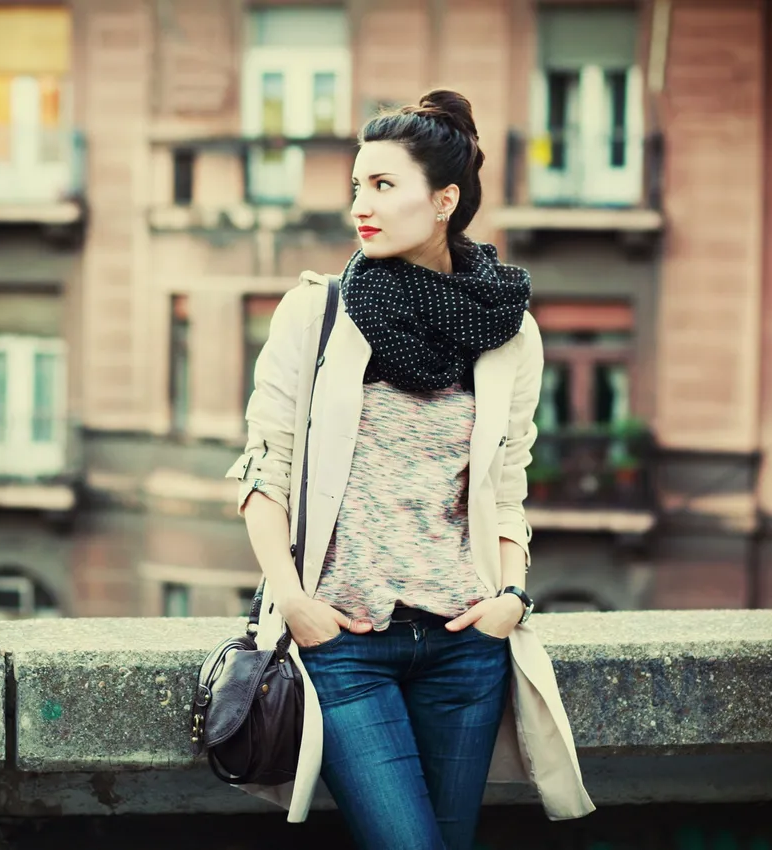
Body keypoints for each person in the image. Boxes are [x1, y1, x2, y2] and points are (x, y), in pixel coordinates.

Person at [225, 90, 595, 849]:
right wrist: (294, 601)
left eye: (384, 186)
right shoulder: (318, 313)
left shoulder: (507, 331)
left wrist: (513, 596)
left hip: (464, 644)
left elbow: (506, 485)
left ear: (444, 201)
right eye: (358, 185)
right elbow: (265, 469)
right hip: (346, 641)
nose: (361, 205)